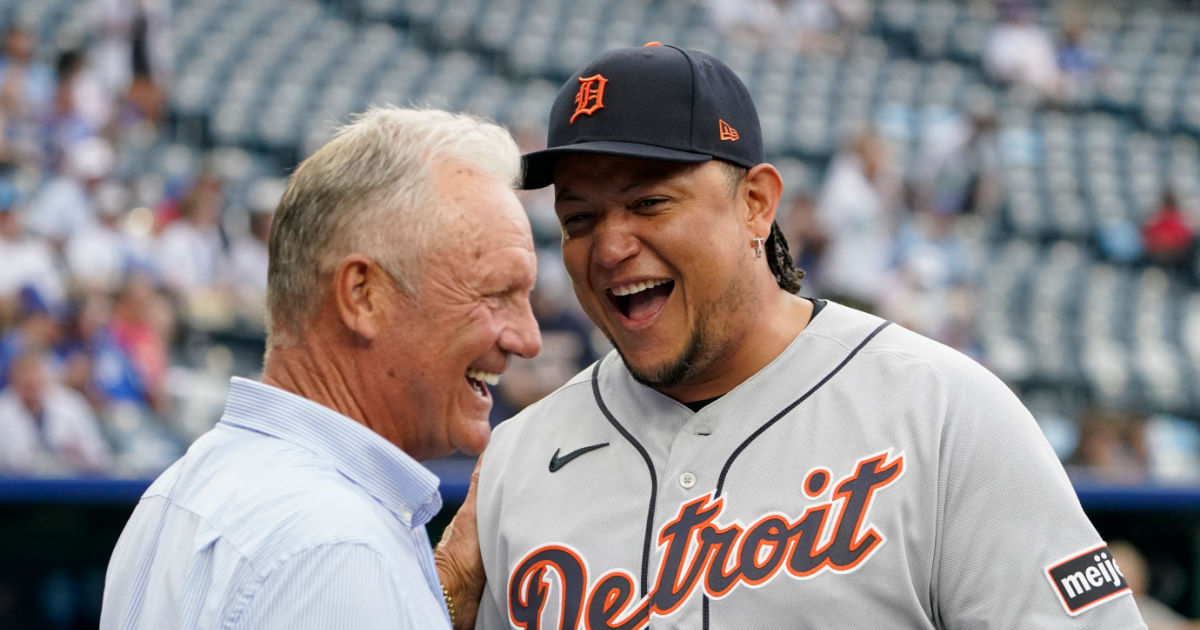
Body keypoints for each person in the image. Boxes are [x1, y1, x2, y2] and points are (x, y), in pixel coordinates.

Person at [473, 43, 1147, 628]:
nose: (611, 246)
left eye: (650, 203)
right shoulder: (519, 459)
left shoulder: (942, 412)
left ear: (757, 204)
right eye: (580, 218)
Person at [100, 106, 542, 629]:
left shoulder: (181, 488)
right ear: (363, 295)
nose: (528, 339)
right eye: (495, 294)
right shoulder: (337, 546)